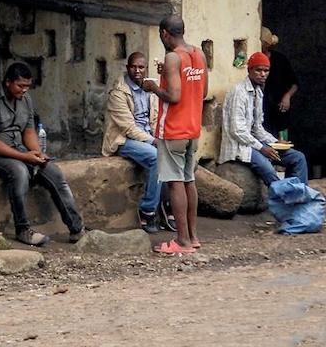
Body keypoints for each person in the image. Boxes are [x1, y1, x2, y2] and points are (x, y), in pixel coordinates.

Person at [0, 62, 86, 247]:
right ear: (8, 82)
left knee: (54, 173)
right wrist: (24, 157)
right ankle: (23, 229)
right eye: (20, 86)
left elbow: (29, 131)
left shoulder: (26, 100)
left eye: (27, 86)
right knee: (20, 172)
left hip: (22, 150)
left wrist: (38, 153)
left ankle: (76, 229)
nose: (24, 90)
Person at [142, 15, 207, 255]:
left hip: (173, 129)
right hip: (193, 128)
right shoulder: (198, 54)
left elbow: (175, 96)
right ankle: (193, 236)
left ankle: (181, 241)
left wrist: (154, 88)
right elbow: (203, 90)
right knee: (189, 180)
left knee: (174, 181)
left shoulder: (172, 57)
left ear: (164, 33)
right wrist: (169, 76)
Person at [219, 51, 308, 187]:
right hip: (241, 146)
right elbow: (237, 131)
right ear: (249, 70)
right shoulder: (239, 92)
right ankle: (284, 198)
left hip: (255, 143)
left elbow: (257, 128)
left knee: (297, 158)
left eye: (266, 71)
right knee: (268, 168)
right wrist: (262, 148)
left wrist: (275, 141)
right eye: (259, 70)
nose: (263, 74)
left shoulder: (258, 92)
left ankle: (297, 197)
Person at [102, 52, 162, 233]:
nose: (137, 70)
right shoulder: (118, 92)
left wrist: (160, 137)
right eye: (133, 67)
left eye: (141, 67)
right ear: (127, 68)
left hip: (147, 136)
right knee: (157, 157)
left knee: (173, 151)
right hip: (124, 140)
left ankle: (168, 206)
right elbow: (128, 129)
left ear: (146, 69)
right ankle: (148, 210)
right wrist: (154, 141)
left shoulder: (150, 89)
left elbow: (155, 119)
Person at [260, 26, 299, 138]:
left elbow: (294, 83)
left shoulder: (280, 59)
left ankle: (284, 153)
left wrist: (287, 97)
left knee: (282, 140)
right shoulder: (254, 61)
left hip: (279, 107)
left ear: (267, 44)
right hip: (262, 107)